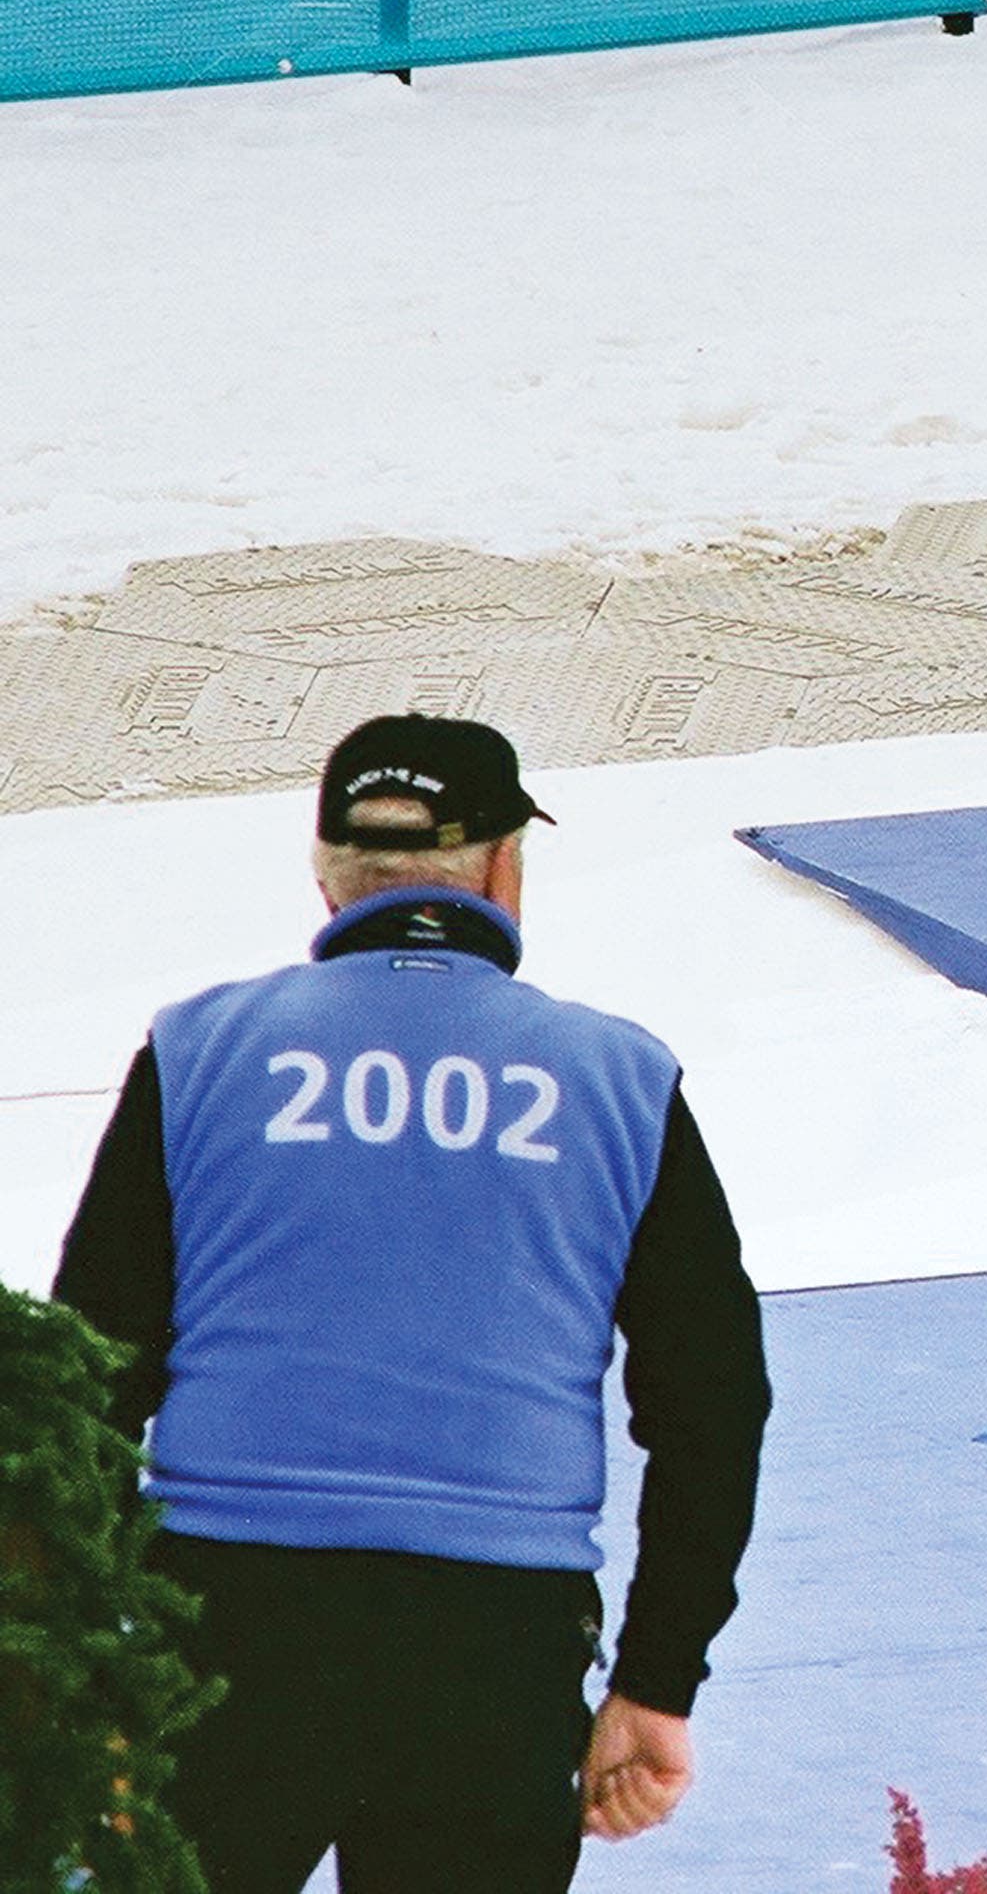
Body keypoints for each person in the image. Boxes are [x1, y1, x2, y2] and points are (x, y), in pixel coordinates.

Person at [53, 713, 771, 1894]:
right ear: (504, 869)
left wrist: (74, 1665)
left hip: (223, 1617)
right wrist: (656, 1680)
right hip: (493, 1635)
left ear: (328, 877)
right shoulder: (619, 1078)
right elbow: (714, 1404)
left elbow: (87, 1377)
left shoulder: (199, 1052)